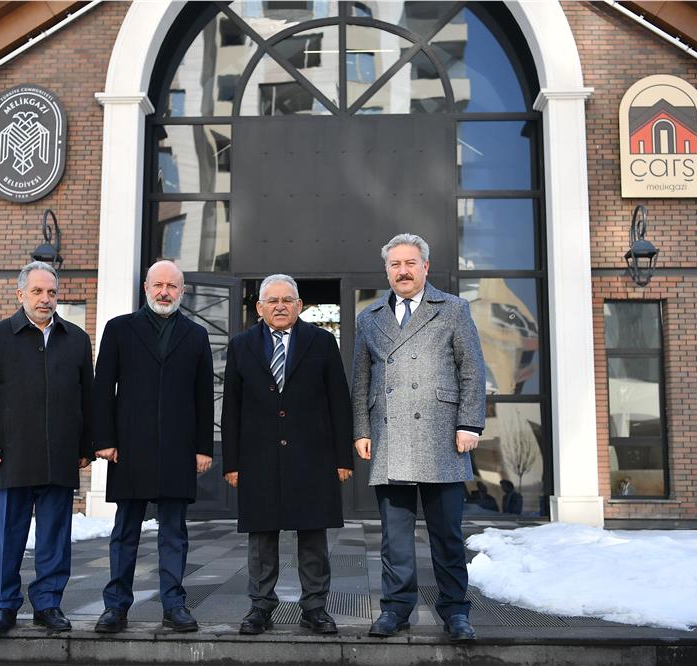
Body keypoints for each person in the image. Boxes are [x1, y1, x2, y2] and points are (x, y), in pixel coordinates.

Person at [351, 233, 486, 642]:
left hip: (442, 438)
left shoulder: (454, 309)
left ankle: (455, 611)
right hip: (391, 438)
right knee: (394, 539)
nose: (403, 271)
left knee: (447, 535)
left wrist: (470, 424)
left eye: (410, 263)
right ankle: (395, 609)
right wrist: (361, 428)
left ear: (425, 267)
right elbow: (362, 379)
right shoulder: (369, 316)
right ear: (387, 270)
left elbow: (472, 370)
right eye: (395, 264)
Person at [221, 274, 354, 636]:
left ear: (299, 306)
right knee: (261, 536)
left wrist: (344, 457)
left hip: (313, 456)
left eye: (287, 300)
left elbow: (339, 402)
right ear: (260, 308)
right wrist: (231, 462)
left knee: (312, 534)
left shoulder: (322, 342)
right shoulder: (241, 344)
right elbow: (230, 407)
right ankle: (260, 607)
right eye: (272, 301)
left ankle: (315, 607)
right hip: (257, 457)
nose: (280, 306)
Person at [0, 261, 94, 635]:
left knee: (55, 537)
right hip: (10, 457)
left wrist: (86, 445)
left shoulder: (76, 339)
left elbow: (88, 396)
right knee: (8, 537)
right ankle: (4, 606)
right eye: (37, 292)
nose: (45, 299)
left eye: (51, 292)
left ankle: (49, 604)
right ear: (20, 294)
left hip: (60, 457)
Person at [92, 260, 214, 634]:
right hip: (129, 447)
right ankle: (116, 607)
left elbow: (204, 396)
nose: (165, 292)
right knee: (125, 531)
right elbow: (102, 389)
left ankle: (174, 605)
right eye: (158, 285)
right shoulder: (119, 329)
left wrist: (203, 447)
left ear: (182, 292)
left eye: (172, 286)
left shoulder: (196, 335)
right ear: (146, 287)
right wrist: (104, 440)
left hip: (178, 449)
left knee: (174, 532)